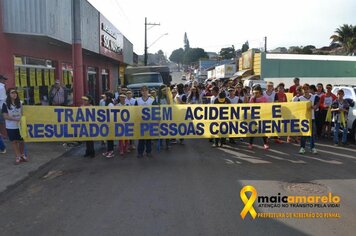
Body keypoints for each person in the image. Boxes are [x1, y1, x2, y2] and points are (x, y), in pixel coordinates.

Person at [2, 88, 26, 164]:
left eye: (15, 93)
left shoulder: (20, 103)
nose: (14, 94)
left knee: (22, 141)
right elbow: (5, 116)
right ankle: (17, 156)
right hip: (10, 126)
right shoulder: (5, 104)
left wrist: (22, 120)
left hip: (20, 126)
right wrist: (15, 119)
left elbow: (22, 114)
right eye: (12, 93)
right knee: (14, 142)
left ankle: (22, 155)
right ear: (9, 94)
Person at [135, 86, 156, 158]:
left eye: (146, 91)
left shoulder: (152, 100)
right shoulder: (137, 100)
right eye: (143, 91)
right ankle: (140, 152)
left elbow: (156, 110)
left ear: (148, 91)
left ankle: (148, 152)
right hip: (140, 122)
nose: (144, 92)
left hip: (149, 122)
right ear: (141, 92)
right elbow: (134, 111)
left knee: (148, 138)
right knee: (141, 139)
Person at [297, 84, 318, 154]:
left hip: (312, 118)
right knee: (303, 134)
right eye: (304, 89)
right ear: (302, 90)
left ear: (309, 89)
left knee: (312, 134)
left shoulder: (314, 97)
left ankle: (312, 148)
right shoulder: (300, 98)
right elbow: (298, 108)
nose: (306, 90)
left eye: (307, 89)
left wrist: (313, 107)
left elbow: (317, 106)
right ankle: (302, 148)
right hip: (304, 119)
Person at [248, 85, 269, 150]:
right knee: (253, 131)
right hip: (254, 117)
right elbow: (250, 107)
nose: (256, 94)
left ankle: (265, 144)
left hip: (262, 117)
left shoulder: (264, 98)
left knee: (262, 130)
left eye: (257, 92)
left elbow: (266, 108)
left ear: (260, 92)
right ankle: (250, 144)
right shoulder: (252, 98)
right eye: (254, 93)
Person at [102, 92, 115, 158]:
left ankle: (111, 151)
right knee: (108, 138)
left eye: (105, 96)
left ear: (108, 97)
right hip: (107, 122)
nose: (104, 98)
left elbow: (112, 114)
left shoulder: (110, 105)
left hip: (110, 123)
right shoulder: (107, 104)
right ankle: (108, 150)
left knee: (110, 138)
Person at [0, 75, 7, 153]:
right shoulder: (1, 87)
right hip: (1, 108)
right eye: (3, 79)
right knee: (2, 123)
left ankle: (2, 147)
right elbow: (2, 99)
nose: (4, 80)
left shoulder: (2, 87)